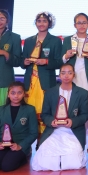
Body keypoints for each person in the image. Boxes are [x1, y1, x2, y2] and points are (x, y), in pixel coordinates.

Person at [31, 64, 88, 171]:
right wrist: (51, 121)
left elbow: (85, 115)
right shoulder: (50, 92)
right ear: (59, 75)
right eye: (63, 73)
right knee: (46, 163)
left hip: (73, 131)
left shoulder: (82, 93)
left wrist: (72, 121)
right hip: (54, 131)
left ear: (74, 75)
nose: (66, 76)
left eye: (69, 73)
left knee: (72, 163)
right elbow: (45, 114)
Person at [21, 11, 62, 141]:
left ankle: (45, 141)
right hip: (30, 82)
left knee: (45, 111)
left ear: (49, 23)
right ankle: (27, 142)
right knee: (29, 112)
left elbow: (59, 62)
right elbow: (22, 61)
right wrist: (24, 62)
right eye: (39, 21)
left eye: (44, 21)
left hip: (46, 83)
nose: (41, 23)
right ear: (36, 23)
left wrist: (46, 61)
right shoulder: (28, 41)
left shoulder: (55, 41)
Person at [0, 82, 38, 172]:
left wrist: (20, 146)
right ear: (8, 94)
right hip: (2, 144)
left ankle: (24, 157)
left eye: (19, 93)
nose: (16, 96)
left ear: (24, 94)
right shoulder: (1, 110)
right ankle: (7, 155)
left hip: (19, 145)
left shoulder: (30, 110)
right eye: (13, 93)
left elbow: (33, 133)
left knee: (7, 166)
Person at [61, 13, 88, 113]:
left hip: (86, 77)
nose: (82, 25)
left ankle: (85, 123)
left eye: (84, 23)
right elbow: (61, 60)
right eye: (79, 23)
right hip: (71, 76)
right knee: (70, 103)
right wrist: (66, 56)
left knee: (86, 104)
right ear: (75, 25)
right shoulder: (67, 40)